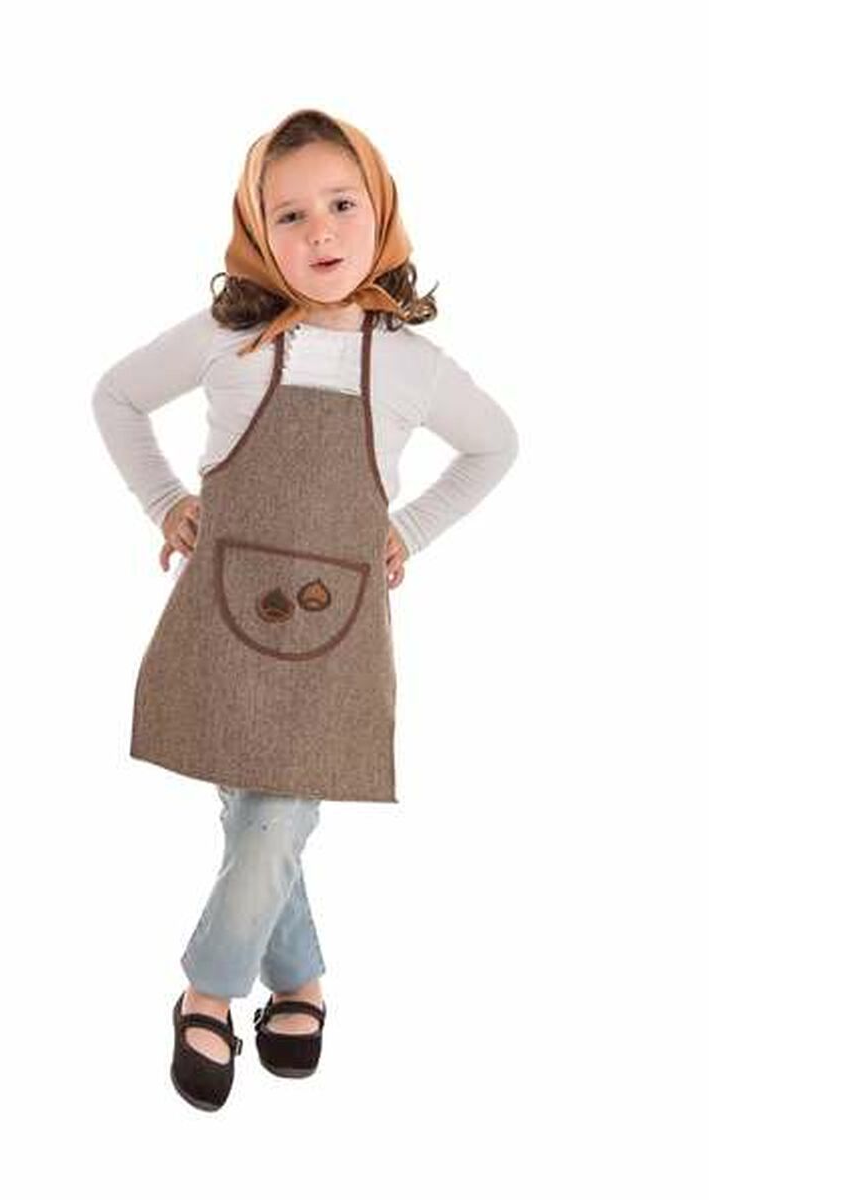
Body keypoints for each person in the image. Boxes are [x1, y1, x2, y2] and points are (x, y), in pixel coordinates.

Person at [91, 108, 519, 1110]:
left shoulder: (409, 363)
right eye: (289, 215)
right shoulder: (226, 339)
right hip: (223, 616)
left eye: (340, 204)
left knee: (276, 814)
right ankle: (301, 983)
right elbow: (115, 397)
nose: (319, 231)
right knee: (257, 813)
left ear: (382, 214)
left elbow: (496, 444)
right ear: (257, 230)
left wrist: (411, 530)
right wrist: (164, 501)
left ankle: (208, 989)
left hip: (337, 630)